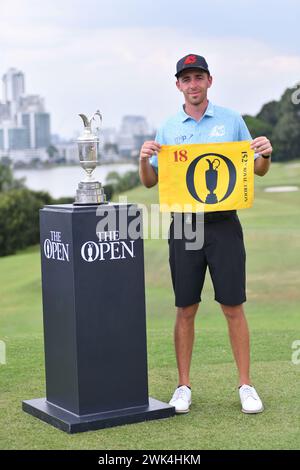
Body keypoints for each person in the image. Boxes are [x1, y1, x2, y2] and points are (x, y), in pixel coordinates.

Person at [139, 54, 272, 414]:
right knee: (186, 308)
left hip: (224, 223)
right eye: (186, 79)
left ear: (209, 81)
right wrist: (142, 158)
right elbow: (151, 180)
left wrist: (265, 154)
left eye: (199, 77)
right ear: (178, 85)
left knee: (233, 306)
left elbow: (256, 170)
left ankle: (246, 385)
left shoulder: (231, 120)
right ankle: (183, 387)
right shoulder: (167, 127)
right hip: (184, 226)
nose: (193, 84)